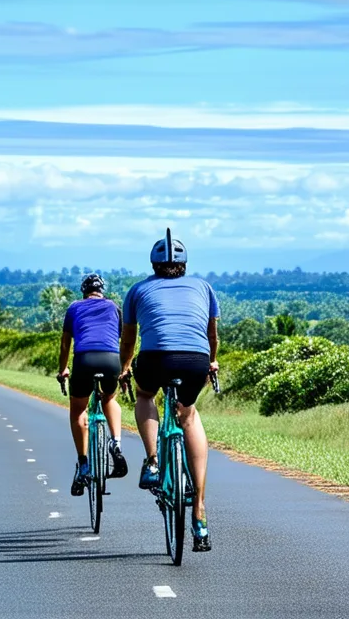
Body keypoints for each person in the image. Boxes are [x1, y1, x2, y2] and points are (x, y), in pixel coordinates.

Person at [118, 230, 220, 552]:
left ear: (153, 264)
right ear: (184, 265)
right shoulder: (204, 287)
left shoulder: (137, 290)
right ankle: (200, 513)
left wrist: (124, 368)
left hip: (154, 359)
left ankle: (152, 462)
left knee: (146, 395)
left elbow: (129, 340)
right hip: (195, 361)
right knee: (188, 416)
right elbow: (211, 334)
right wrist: (212, 362)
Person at [57, 273, 128, 498]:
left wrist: (63, 370)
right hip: (110, 359)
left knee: (78, 409)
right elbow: (123, 338)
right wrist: (125, 368)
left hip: (84, 359)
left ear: (83, 291)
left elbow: (65, 343)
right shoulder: (114, 307)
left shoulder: (74, 308)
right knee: (110, 398)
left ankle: (84, 463)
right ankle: (116, 443)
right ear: (102, 291)